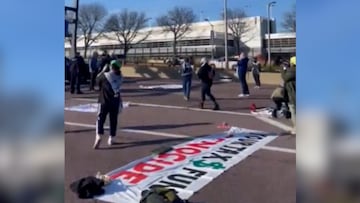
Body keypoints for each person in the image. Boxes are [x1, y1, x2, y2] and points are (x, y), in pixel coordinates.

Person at [93, 60, 123, 149]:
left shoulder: (105, 75)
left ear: (111, 66)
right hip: (115, 101)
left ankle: (98, 135)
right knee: (113, 120)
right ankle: (111, 138)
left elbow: (97, 81)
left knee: (100, 119)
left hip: (104, 101)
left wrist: (102, 71)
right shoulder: (120, 77)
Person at [282, 56, 296, 134]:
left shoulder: (293, 71)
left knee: (293, 111)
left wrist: (283, 69)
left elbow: (285, 77)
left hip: (293, 94)